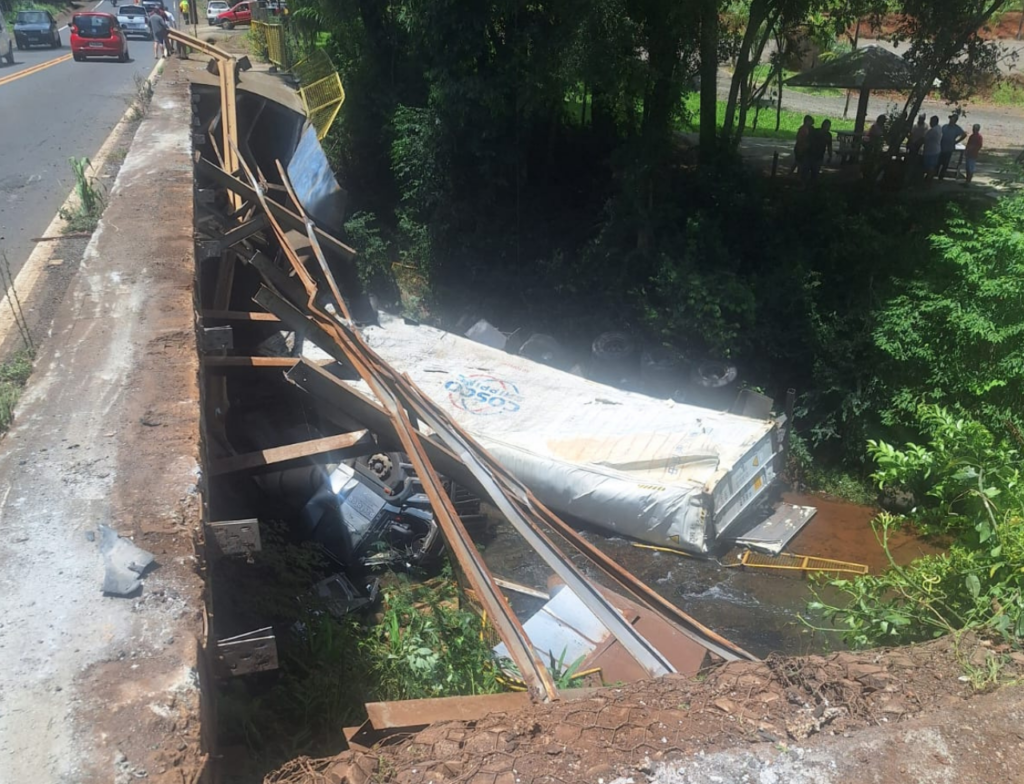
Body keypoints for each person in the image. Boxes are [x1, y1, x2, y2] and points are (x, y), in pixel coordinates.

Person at [937, 113, 966, 181]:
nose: (950, 120)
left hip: (949, 148)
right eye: (950, 119)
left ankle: (941, 177)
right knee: (938, 163)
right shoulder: (944, 126)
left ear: (955, 120)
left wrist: (956, 142)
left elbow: (964, 135)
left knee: (945, 164)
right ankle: (934, 175)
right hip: (941, 147)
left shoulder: (957, 128)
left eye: (952, 119)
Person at [803, 119, 833, 184]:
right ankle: (805, 186)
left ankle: (811, 187)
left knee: (815, 174)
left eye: (829, 126)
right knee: (805, 173)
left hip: (818, 157)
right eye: (827, 126)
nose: (828, 128)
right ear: (823, 125)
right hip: (810, 155)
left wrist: (830, 156)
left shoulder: (828, 135)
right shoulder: (815, 132)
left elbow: (829, 146)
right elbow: (807, 142)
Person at [922, 115, 942, 182]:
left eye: (931, 121)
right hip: (936, 150)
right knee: (932, 166)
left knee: (929, 167)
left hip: (931, 151)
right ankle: (929, 179)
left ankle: (928, 180)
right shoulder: (939, 128)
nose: (930, 123)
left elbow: (924, 139)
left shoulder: (932, 131)